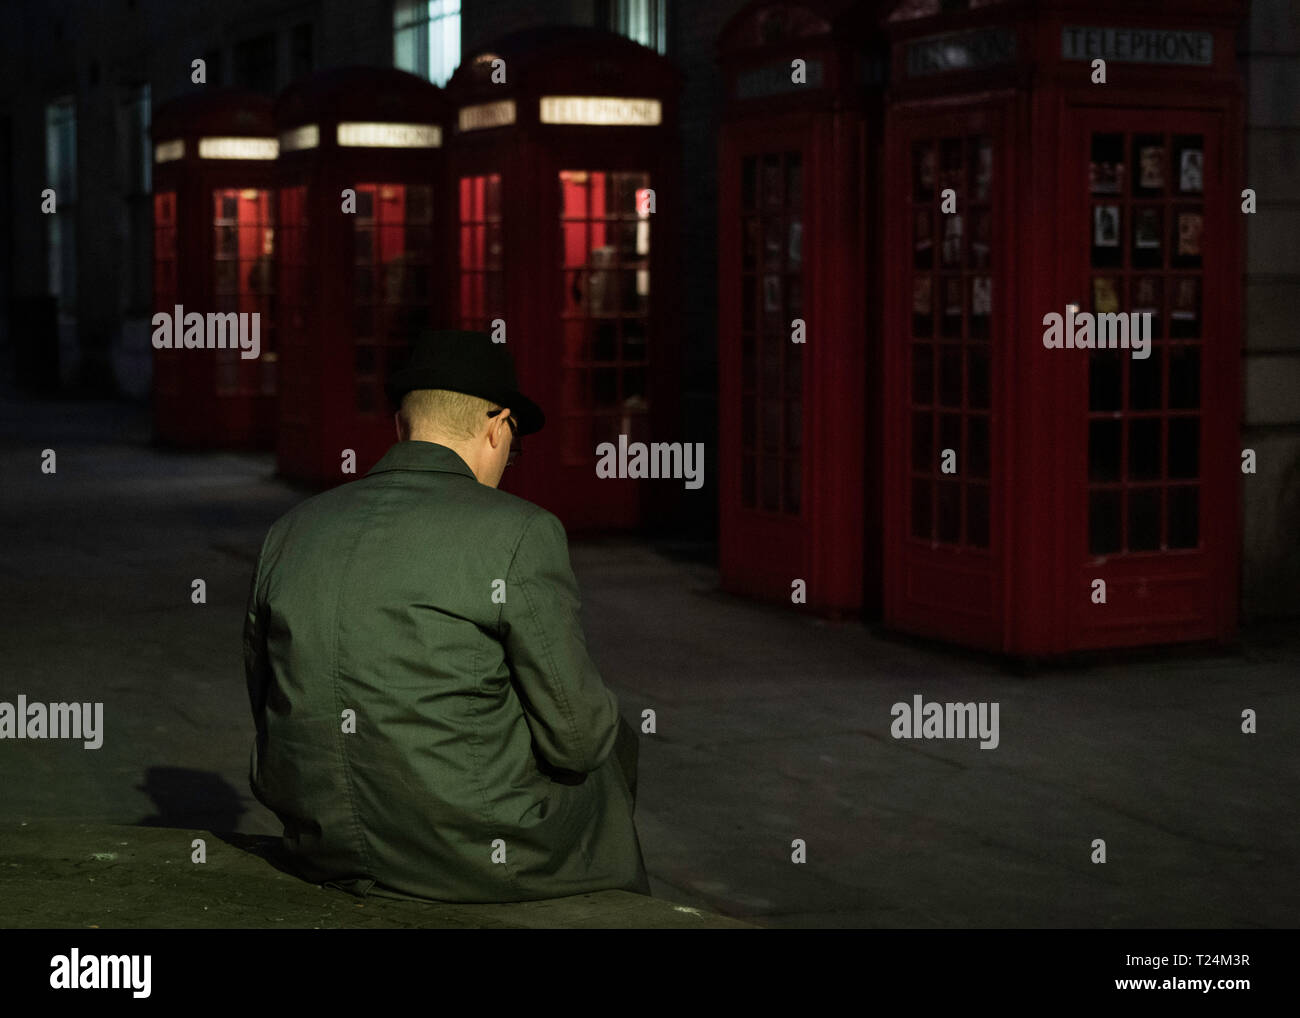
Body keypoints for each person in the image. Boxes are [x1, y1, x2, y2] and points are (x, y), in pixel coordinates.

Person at [242, 329, 650, 903]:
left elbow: (265, 696)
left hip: (319, 839)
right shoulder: (521, 530)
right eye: (515, 442)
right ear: (497, 425)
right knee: (612, 748)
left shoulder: (291, 529)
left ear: (400, 428)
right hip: (468, 859)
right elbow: (577, 741)